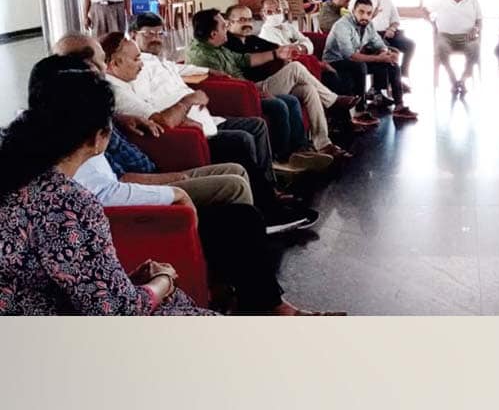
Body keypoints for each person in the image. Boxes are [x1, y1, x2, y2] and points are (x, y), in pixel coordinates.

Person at [29, 55, 339, 315]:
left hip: (132, 213)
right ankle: (261, 300)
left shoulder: (42, 144)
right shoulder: (65, 192)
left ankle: (254, 292)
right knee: (241, 217)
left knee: (240, 203)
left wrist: (121, 120)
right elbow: (115, 300)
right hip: (133, 226)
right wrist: (161, 279)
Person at [0, 57, 212, 315]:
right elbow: (119, 311)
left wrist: (127, 283)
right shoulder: (69, 204)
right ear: (98, 138)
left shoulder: (19, 175)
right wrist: (163, 280)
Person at [101, 32, 317, 226]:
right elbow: (161, 120)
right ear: (113, 64)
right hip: (171, 148)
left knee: (253, 130)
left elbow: (156, 112)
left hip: (190, 129)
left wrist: (183, 114)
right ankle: (267, 212)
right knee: (239, 142)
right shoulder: (117, 91)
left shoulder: (129, 80)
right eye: (136, 59)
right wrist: (187, 103)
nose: (141, 64)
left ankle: (268, 200)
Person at [52, 32, 256, 210]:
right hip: (142, 185)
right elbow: (116, 183)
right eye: (102, 62)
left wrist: (118, 118)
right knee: (236, 177)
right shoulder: (84, 118)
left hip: (152, 169)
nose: (105, 68)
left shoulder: (96, 102)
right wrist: (173, 179)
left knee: (236, 169)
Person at [130, 12, 322, 166]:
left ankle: (302, 150)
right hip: (210, 109)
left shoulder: (166, 61)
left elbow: (186, 67)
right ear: (132, 36)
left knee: (302, 92)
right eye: (149, 34)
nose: (156, 38)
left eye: (160, 34)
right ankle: (283, 161)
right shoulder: (138, 70)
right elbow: (149, 109)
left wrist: (275, 54)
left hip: (213, 110)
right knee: (282, 98)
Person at [187, 8, 356, 160]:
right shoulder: (203, 55)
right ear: (213, 34)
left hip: (250, 87)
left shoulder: (218, 47)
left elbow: (245, 59)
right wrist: (254, 91)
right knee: (295, 68)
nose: (227, 28)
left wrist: (276, 54)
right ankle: (333, 101)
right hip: (243, 93)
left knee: (308, 89)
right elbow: (225, 84)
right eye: (224, 26)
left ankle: (319, 144)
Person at [324, 0, 419, 120]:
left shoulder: (369, 25)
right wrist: (379, 58)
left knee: (391, 63)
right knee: (360, 65)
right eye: (361, 12)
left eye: (369, 13)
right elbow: (350, 56)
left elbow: (379, 44)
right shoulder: (342, 25)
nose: (365, 16)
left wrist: (387, 54)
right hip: (334, 61)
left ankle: (399, 107)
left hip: (353, 61)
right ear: (353, 11)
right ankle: (360, 112)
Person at [425, 0, 483, 94]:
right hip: (445, 36)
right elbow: (425, 10)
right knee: (440, 48)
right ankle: (452, 78)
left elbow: (479, 20)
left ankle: (463, 80)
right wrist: (433, 24)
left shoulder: (473, 1)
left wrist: (476, 29)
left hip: (467, 36)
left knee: (475, 48)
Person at [360, 0, 416, 83]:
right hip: (371, 35)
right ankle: (384, 85)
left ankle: (402, 74)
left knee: (410, 44)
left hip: (387, 32)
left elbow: (396, 20)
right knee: (387, 50)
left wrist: (392, 29)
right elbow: (360, 21)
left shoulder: (387, 0)